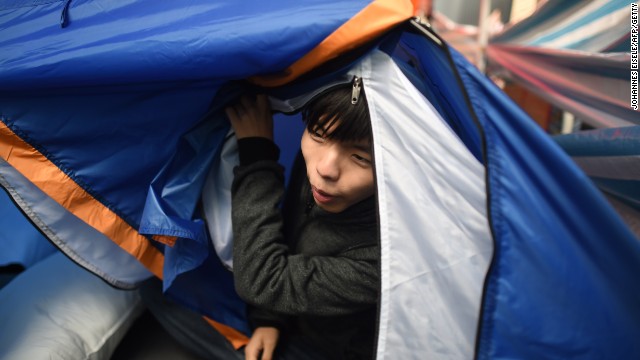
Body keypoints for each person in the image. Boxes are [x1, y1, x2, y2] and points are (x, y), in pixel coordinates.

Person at [141, 82, 379, 360]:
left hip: (335, 349)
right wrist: (270, 318)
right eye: (318, 133)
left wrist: (256, 154)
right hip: (292, 308)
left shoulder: (384, 257)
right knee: (155, 285)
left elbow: (263, 282)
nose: (325, 168)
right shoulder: (324, 170)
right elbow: (291, 240)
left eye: (360, 157)